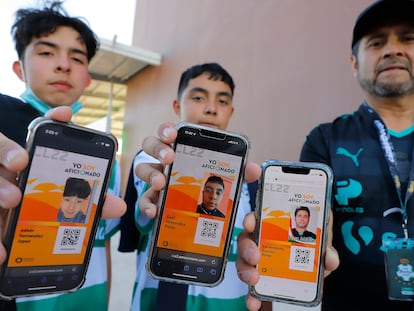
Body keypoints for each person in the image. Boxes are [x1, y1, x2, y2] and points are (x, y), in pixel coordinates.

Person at [237, 0, 414, 310]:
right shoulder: (326, 139)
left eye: (407, 38)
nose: (393, 50)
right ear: (354, 63)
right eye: (377, 42)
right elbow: (315, 215)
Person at [0, 2, 125, 310]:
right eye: (46, 52)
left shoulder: (105, 153)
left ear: (87, 79)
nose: (63, 65)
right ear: (19, 68)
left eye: (77, 58)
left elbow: (102, 243)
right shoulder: (3, 119)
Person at [119, 62, 262, 310]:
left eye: (222, 101)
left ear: (231, 111)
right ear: (177, 105)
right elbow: (141, 223)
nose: (211, 109)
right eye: (198, 97)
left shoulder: (250, 184)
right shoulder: (152, 161)